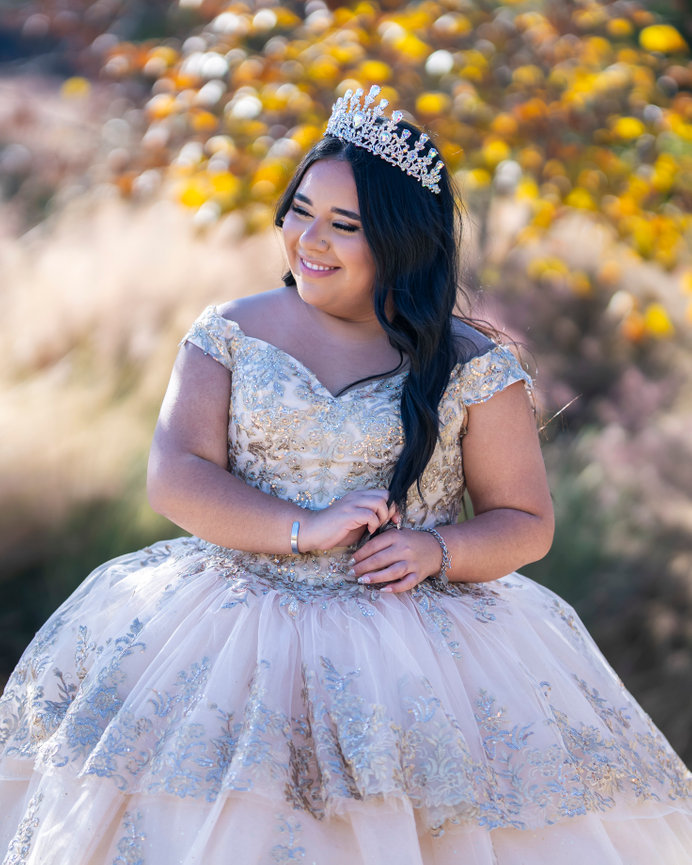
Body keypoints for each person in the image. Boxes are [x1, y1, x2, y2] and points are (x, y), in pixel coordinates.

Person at [0, 84, 690, 865]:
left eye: (344, 225)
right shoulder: (231, 332)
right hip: (232, 632)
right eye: (300, 210)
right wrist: (302, 529)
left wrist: (438, 550)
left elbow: (526, 521)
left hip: (412, 651)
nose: (309, 239)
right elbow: (177, 475)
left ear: (401, 241)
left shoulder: (471, 364)